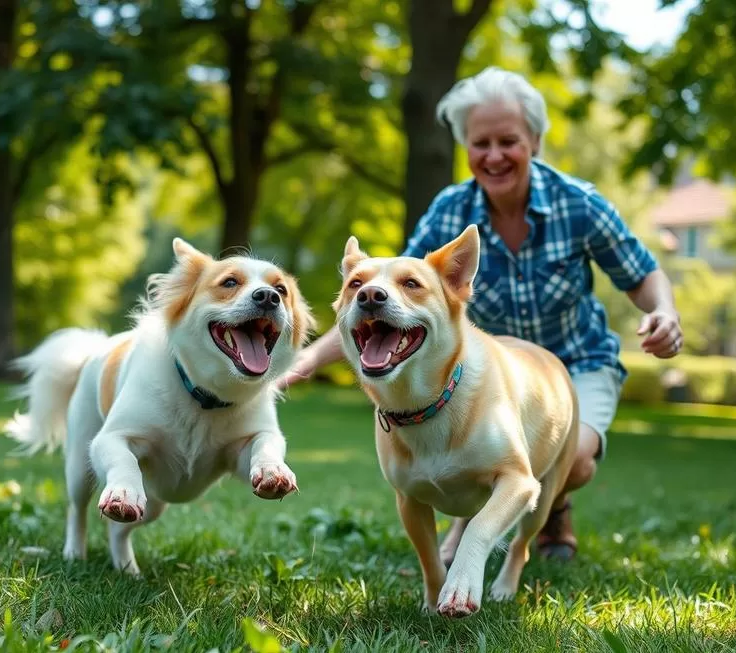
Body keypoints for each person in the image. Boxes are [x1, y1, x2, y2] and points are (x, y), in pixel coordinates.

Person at [278, 66, 683, 563]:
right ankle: (483, 503)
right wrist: (306, 360)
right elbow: (394, 302)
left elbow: (641, 273)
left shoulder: (579, 204)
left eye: (508, 141)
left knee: (575, 458)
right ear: (465, 147)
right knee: (484, 440)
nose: (493, 156)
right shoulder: (450, 211)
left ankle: (550, 509)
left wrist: (664, 311)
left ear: (534, 141)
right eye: (480, 143)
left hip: (577, 361)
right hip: (490, 370)